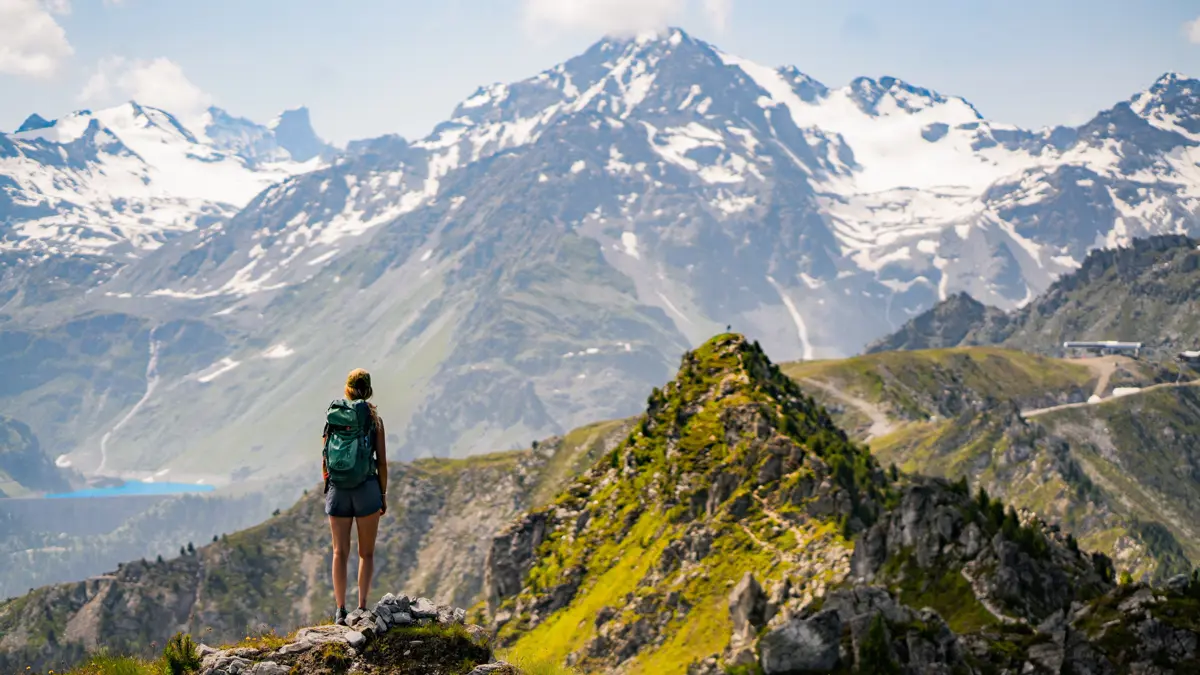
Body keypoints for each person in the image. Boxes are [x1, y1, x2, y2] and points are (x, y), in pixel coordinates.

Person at [322, 368, 388, 625]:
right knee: (366, 553)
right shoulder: (374, 419)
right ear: (368, 389)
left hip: (338, 490)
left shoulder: (334, 417)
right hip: (367, 489)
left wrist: (330, 486)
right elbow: (381, 462)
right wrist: (382, 494)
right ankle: (361, 608)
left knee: (339, 552)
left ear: (347, 389)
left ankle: (340, 610)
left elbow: (325, 457)